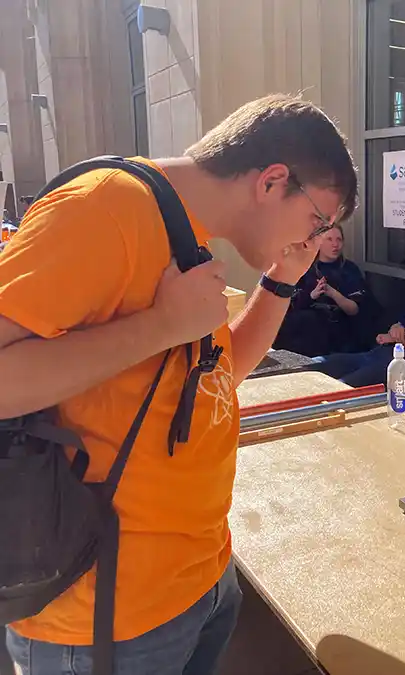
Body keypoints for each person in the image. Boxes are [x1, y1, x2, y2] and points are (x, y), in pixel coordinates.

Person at [0, 93, 357, 675]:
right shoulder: (105, 208)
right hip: (104, 620)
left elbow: (216, 381)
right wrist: (162, 326)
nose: (315, 241)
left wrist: (281, 281)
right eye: (318, 221)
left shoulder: (184, 233)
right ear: (271, 182)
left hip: (201, 584)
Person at [302, 252, 405, 388]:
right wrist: (392, 334)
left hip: (401, 368)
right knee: (314, 365)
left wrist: (404, 339)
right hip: (376, 354)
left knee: (338, 388)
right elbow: (398, 326)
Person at [273, 224, 369, 356]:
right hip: (308, 330)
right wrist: (311, 295)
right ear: (319, 243)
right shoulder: (306, 269)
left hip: (339, 329)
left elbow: (354, 309)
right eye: (329, 239)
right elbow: (291, 305)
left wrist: (332, 293)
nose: (335, 244)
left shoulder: (349, 270)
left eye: (339, 240)